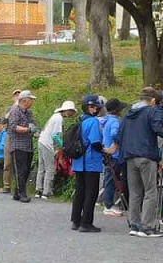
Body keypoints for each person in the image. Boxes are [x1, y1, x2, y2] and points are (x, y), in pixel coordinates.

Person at [120, 87, 163, 237]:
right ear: (153, 100)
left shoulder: (129, 113)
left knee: (135, 192)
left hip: (130, 156)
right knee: (150, 192)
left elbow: (120, 133)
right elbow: (158, 129)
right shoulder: (152, 111)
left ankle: (134, 225)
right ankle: (147, 226)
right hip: (146, 155)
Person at [70, 94, 105, 233]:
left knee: (80, 191)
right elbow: (95, 142)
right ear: (91, 107)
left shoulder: (81, 120)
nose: (97, 109)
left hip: (79, 162)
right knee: (91, 193)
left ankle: (76, 220)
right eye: (95, 107)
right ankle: (86, 223)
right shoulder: (94, 122)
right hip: (91, 162)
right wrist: (105, 150)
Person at [37, 101, 76, 198]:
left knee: (41, 167)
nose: (71, 114)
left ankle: (38, 190)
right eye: (71, 111)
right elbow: (56, 136)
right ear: (67, 110)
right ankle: (46, 192)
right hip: (47, 144)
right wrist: (63, 147)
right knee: (50, 168)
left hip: (41, 141)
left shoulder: (55, 116)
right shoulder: (59, 119)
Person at [7, 90, 37, 201]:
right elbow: (13, 127)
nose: (32, 102)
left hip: (28, 145)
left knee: (26, 170)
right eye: (31, 100)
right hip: (18, 145)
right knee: (20, 170)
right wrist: (28, 129)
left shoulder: (29, 113)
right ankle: (22, 194)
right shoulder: (15, 111)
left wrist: (35, 130)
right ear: (24, 100)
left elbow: (33, 124)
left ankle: (16, 192)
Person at [101, 98, 126, 216]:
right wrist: (115, 147)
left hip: (107, 153)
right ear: (117, 110)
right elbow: (116, 135)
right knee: (112, 180)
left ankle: (108, 203)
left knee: (109, 179)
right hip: (114, 155)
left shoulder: (105, 121)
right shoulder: (116, 121)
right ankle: (108, 205)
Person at [1, 89, 21, 191]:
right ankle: (6, 185)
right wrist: (10, 111)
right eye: (15, 95)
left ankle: (18, 186)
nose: (17, 97)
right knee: (8, 162)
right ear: (13, 97)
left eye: (19, 95)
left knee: (18, 162)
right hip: (9, 136)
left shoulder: (24, 109)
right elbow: (3, 121)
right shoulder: (9, 108)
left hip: (20, 137)